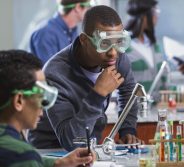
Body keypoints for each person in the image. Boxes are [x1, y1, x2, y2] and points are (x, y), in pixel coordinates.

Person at [29, 5, 143, 151]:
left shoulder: (116, 58)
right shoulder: (55, 73)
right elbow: (71, 142)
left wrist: (128, 130)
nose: (113, 53)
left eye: (119, 42)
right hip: (51, 151)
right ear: (84, 40)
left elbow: (128, 91)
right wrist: (98, 94)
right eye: (104, 43)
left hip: (90, 146)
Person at [0, 50, 95, 167]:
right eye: (41, 96)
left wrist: (57, 164)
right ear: (19, 100)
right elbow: (24, 160)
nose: (43, 106)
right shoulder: (21, 154)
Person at [125, 0, 166, 98]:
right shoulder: (123, 46)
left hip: (155, 107)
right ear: (143, 15)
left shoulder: (153, 44)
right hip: (133, 109)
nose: (157, 17)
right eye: (155, 12)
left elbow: (162, 78)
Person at [30, 0, 91, 64]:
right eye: (89, 5)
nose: (91, 9)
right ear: (78, 7)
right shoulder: (45, 33)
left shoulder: (72, 31)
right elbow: (50, 72)